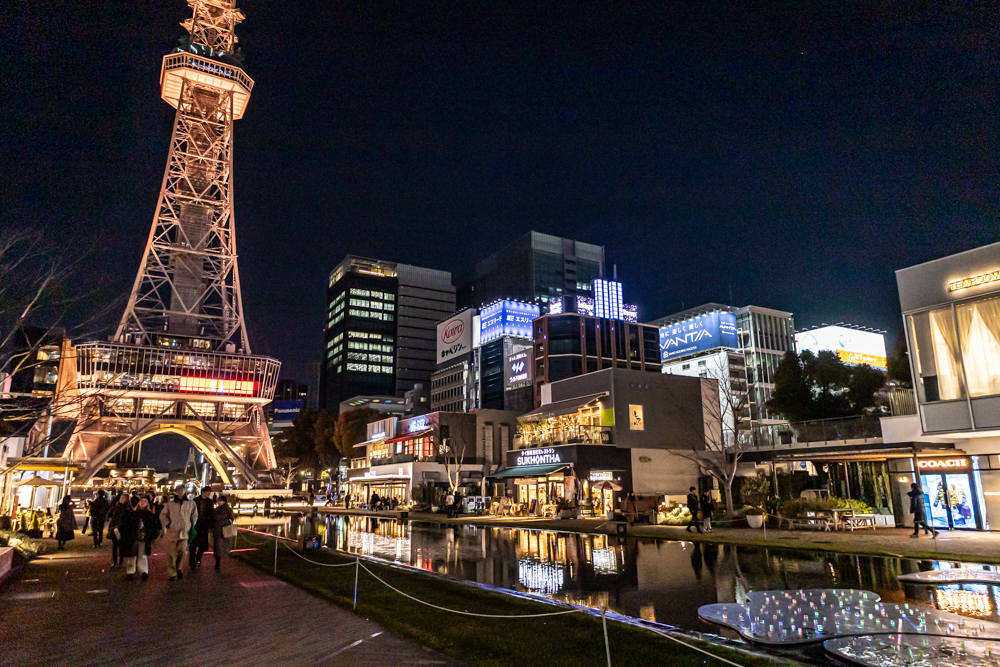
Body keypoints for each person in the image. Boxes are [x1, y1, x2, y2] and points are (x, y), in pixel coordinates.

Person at [160, 485, 197, 581]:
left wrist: (190, 525)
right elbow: (163, 515)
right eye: (178, 490)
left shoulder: (191, 503)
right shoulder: (170, 504)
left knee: (183, 551)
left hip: (185, 531)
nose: (180, 491)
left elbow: (194, 515)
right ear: (176, 491)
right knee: (171, 553)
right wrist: (167, 524)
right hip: (173, 531)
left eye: (182, 489)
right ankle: (172, 572)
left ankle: (179, 568)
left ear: (185, 490)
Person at [190, 487, 216, 568]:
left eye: (209, 492)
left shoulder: (209, 502)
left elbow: (212, 514)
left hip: (204, 526)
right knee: (193, 544)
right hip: (195, 525)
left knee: (203, 545)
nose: (208, 494)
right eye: (207, 492)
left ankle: (198, 557)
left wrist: (211, 525)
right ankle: (192, 561)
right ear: (203, 492)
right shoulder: (195, 501)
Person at [212, 496, 236, 571]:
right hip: (217, 531)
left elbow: (231, 519)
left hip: (224, 531)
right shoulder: (216, 510)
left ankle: (219, 562)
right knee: (217, 547)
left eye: (220, 501)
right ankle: (217, 562)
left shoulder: (227, 510)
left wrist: (221, 523)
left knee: (221, 546)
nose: (219, 502)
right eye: (218, 501)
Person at [108, 493, 130, 567]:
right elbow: (110, 515)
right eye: (121, 498)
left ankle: (121, 560)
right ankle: (115, 561)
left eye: (123, 498)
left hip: (123, 529)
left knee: (121, 545)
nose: (121, 499)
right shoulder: (116, 507)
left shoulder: (128, 508)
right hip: (115, 529)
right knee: (114, 545)